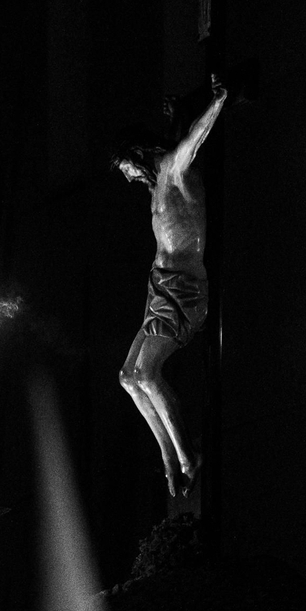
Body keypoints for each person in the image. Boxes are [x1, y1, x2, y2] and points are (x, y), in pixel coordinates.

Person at [113, 74, 227, 498]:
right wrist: (177, 114)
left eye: (126, 168)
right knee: (129, 376)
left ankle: (187, 456)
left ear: (137, 155)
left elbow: (192, 140)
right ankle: (168, 460)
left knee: (147, 372)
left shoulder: (175, 171)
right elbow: (178, 134)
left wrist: (218, 100)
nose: (128, 177)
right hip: (160, 288)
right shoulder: (157, 182)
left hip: (183, 292)